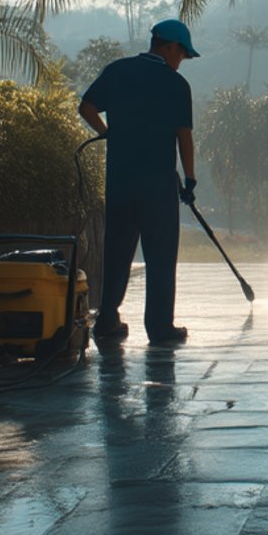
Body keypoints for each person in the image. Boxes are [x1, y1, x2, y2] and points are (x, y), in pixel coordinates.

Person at [79, 19, 201, 346]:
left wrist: (108, 134)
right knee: (160, 255)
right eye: (183, 54)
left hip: (120, 180)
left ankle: (106, 320)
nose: (182, 61)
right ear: (171, 47)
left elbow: (87, 107)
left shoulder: (118, 71)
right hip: (158, 183)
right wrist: (189, 179)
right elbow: (183, 136)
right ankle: (160, 328)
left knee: (117, 250)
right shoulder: (176, 85)